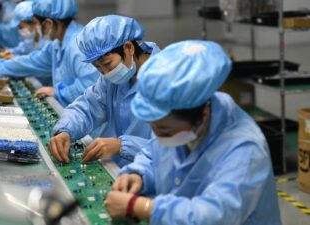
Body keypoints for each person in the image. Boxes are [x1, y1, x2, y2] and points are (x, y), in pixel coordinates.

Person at [104, 40, 282, 225]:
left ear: (203, 115)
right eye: (153, 127)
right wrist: (138, 175)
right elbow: (152, 155)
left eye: (164, 130)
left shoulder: (245, 150)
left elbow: (213, 216)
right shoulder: (174, 118)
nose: (158, 136)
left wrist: (141, 206)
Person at [49, 15, 160, 167]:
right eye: (98, 67)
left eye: (107, 64)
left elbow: (172, 147)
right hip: (115, 168)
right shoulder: (111, 79)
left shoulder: (165, 80)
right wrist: (65, 130)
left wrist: (122, 145)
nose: (105, 73)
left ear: (128, 48)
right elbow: (88, 107)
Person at [0, 0, 99, 105]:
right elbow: (33, 61)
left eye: (37, 23)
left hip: (95, 130)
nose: (36, 29)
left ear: (48, 23)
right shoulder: (57, 44)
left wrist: (59, 93)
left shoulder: (80, 45)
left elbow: (91, 86)